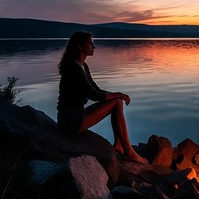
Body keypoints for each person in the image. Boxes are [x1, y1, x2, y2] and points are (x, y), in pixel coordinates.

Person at [57, 31, 147, 163]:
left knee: (117, 102)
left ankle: (119, 144)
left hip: (76, 114)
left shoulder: (83, 66)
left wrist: (117, 95)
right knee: (117, 102)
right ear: (80, 46)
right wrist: (119, 95)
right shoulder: (73, 69)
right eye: (90, 43)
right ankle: (128, 151)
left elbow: (96, 89)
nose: (94, 47)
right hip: (70, 120)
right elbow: (93, 95)